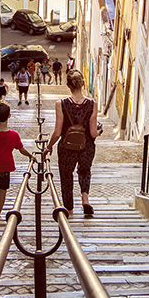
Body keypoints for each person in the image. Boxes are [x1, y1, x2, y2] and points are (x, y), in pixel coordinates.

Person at [47, 69, 98, 217]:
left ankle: (69, 210)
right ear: (83, 83)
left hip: (66, 147)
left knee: (66, 176)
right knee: (84, 171)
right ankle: (85, 199)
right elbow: (93, 133)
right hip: (86, 146)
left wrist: (48, 147)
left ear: (68, 85)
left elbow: (57, 132)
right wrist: (99, 132)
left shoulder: (60, 104)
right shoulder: (92, 104)